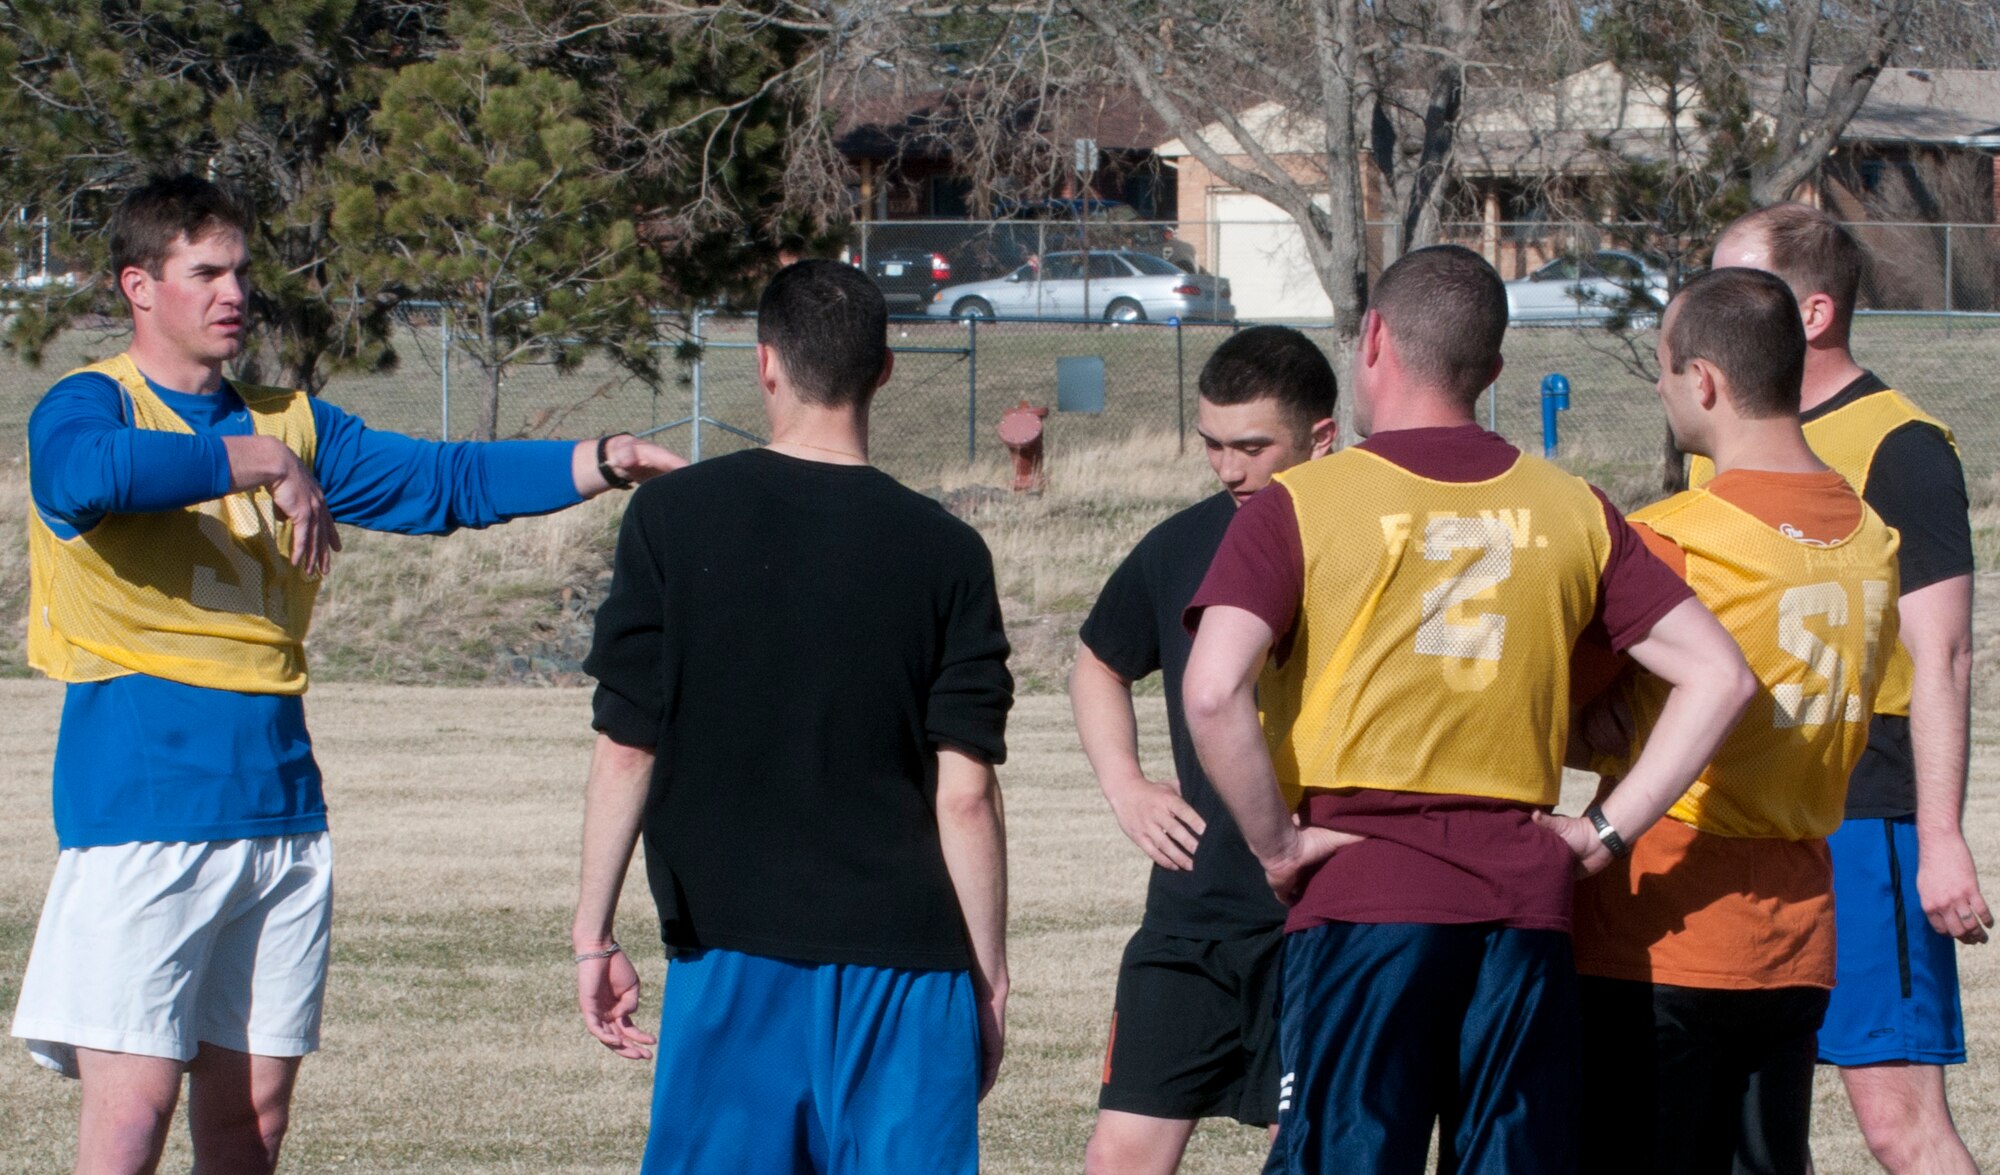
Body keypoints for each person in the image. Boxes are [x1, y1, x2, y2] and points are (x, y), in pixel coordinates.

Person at [10, 173, 686, 1175]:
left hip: (280, 807)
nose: (233, 291)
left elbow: (442, 482)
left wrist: (601, 456)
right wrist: (262, 466)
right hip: (139, 806)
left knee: (254, 1125)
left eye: (241, 270)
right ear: (139, 287)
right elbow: (84, 476)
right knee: (129, 1126)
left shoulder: (296, 422)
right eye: (204, 272)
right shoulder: (95, 401)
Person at [1180, 244, 1757, 1175]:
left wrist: (1278, 848)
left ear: (1373, 340)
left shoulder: (1299, 502)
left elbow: (1212, 690)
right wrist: (1604, 833)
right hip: (1523, 907)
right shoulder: (1575, 508)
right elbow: (1719, 677)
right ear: (1492, 371)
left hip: (1366, 894)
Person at [573, 259, 1012, 1174]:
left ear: (764, 362)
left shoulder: (670, 517)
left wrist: (595, 933)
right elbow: (964, 794)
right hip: (910, 962)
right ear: (884, 371)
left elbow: (627, 746)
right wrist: (990, 976)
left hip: (731, 957)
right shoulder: (950, 551)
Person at [1570, 267, 1901, 1174]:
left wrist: (1592, 717)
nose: (1663, 386)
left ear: (1703, 381)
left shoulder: (1676, 536)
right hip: (1797, 935)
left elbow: (1550, 711)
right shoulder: (1873, 538)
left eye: (1666, 368)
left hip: (1662, 923)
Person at [1703, 204, 1988, 1174]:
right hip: (1747, 808)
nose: (1706, 304)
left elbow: (1941, 652)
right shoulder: (1719, 442)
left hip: (1867, 811)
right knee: (1745, 1117)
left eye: (1737, 281)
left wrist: (1939, 837)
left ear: (1813, 311)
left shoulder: (1898, 443)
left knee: (1892, 1119)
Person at [1073, 326, 1337, 1174]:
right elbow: (1096, 662)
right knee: (1120, 1156)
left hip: (1322, 916)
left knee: (1304, 1154)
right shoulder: (1182, 543)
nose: (1228, 469)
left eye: (1253, 448)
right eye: (1213, 446)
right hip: (1192, 918)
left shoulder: (1366, 544)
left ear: (1321, 438)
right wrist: (1126, 784)